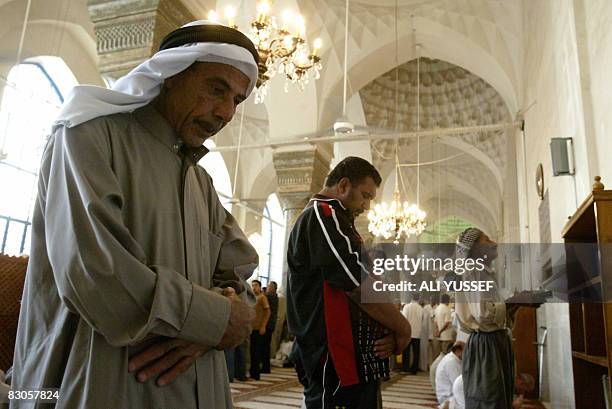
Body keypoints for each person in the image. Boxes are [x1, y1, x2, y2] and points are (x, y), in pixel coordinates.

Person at [9, 21, 261, 409]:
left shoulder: (201, 182)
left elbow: (238, 266)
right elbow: (97, 275)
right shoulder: (87, 137)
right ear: (171, 75)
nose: (226, 112)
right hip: (99, 384)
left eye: (237, 101)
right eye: (217, 88)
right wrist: (216, 321)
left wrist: (231, 313)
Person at [286, 156, 412, 409]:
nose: (366, 206)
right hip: (331, 350)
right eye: (365, 195)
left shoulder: (340, 220)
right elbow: (355, 282)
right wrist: (403, 327)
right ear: (343, 186)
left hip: (354, 351)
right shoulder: (323, 214)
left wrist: (385, 329)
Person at [454, 227, 514, 409]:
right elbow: (484, 315)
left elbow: (494, 313)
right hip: (486, 346)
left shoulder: (483, 272)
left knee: (500, 400)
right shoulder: (473, 270)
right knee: (489, 401)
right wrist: (515, 302)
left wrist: (516, 305)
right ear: (474, 247)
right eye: (487, 239)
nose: (494, 243)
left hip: (494, 342)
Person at [249, 279, 271, 380]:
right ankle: (252, 371)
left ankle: (256, 373)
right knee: (252, 351)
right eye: (252, 285)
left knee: (256, 351)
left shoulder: (262, 298)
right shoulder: (252, 298)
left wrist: (263, 326)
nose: (254, 287)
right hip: (251, 328)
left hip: (258, 328)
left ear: (260, 287)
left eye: (256, 285)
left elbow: (267, 312)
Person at [435, 341, 464, 406]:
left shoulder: (455, 359)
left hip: (452, 395)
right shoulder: (451, 362)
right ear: (458, 351)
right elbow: (458, 384)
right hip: (448, 399)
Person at [401, 295, 423, 374]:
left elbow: (404, 319)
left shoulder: (407, 307)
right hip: (417, 333)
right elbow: (422, 319)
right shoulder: (420, 308)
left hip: (408, 332)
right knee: (416, 352)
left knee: (406, 351)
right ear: (418, 299)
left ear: (411, 298)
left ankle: (405, 368)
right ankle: (414, 369)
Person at [262, 281, 279, 373]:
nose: (267, 287)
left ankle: (265, 367)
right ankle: (265, 367)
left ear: (273, 288)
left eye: (269, 286)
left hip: (268, 324)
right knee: (266, 346)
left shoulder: (271, 296)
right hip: (270, 324)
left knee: (265, 346)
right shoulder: (274, 296)